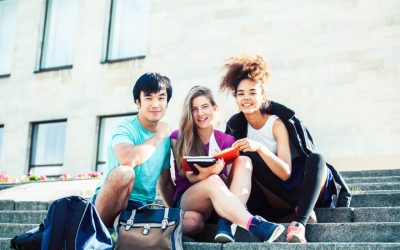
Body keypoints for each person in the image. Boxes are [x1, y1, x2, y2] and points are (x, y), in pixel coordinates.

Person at [219, 55, 351, 243]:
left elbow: (285, 172)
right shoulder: (236, 126)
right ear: (235, 98)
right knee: (246, 157)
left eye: (252, 92)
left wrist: (260, 148)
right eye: (241, 94)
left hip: (303, 184)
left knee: (317, 158)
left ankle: (299, 224)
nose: (246, 98)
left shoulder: (276, 124)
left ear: (262, 96)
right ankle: (292, 209)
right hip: (276, 195)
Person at [170, 85, 285, 243]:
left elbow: (230, 185)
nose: (200, 113)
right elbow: (190, 178)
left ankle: (226, 222)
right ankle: (254, 224)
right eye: (194, 109)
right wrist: (211, 172)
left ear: (214, 108)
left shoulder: (226, 140)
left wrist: (219, 173)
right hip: (189, 199)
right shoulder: (178, 137)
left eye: (205, 106)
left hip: (220, 202)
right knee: (213, 180)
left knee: (244, 160)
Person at [93, 72, 176, 228]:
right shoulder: (125, 127)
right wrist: (159, 136)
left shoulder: (164, 138)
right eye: (149, 98)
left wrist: (179, 213)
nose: (155, 104)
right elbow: (127, 159)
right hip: (110, 203)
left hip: (142, 208)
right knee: (124, 172)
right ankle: (97, 232)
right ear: (138, 103)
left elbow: (165, 183)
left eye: (161, 98)